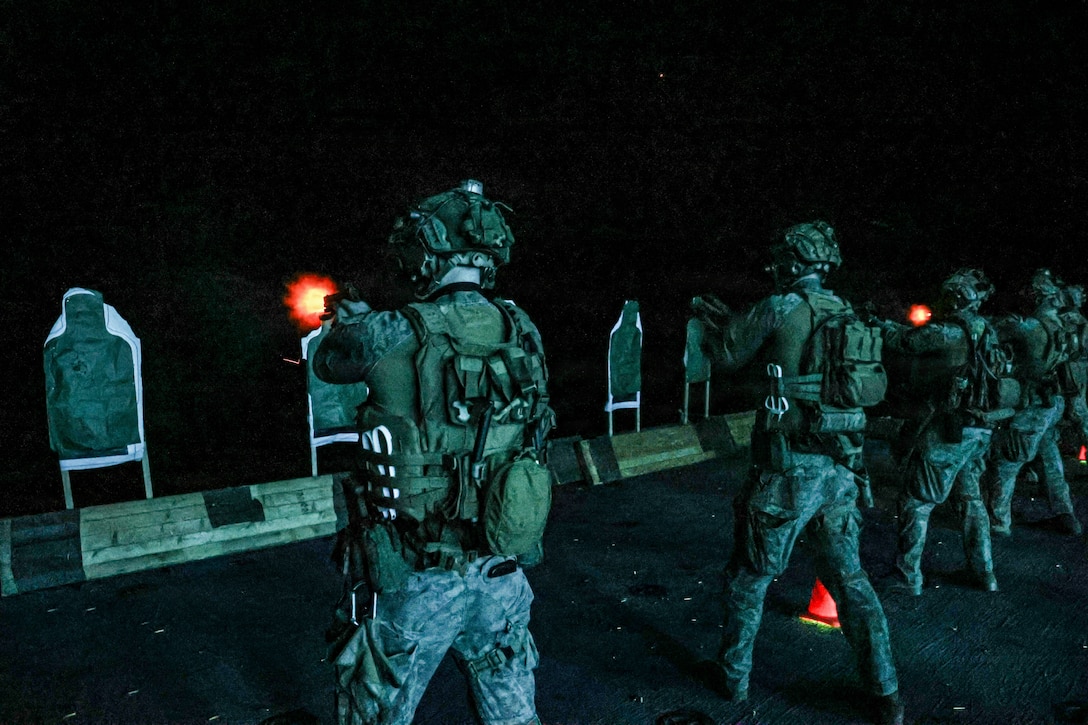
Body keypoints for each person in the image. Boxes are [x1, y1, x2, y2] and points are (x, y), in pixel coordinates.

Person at [313, 179, 555, 725]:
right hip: (502, 571)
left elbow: (328, 361)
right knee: (513, 713)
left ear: (424, 253)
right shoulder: (523, 328)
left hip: (417, 581)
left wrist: (349, 320)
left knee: (373, 711)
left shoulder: (388, 331)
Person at [694, 221, 903, 725]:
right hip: (842, 466)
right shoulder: (847, 311)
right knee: (850, 579)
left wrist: (708, 322)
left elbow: (724, 356)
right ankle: (887, 692)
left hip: (788, 469)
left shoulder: (781, 306)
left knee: (749, 578)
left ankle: (733, 679)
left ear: (792, 262)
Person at [878, 268, 1011, 596]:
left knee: (917, 500)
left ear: (956, 298)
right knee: (970, 499)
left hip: (950, 429)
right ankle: (985, 572)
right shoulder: (986, 329)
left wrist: (879, 323)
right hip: (979, 430)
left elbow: (905, 340)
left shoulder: (951, 332)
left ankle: (907, 576)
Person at [984, 269, 1083, 537]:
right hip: (1053, 405)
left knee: (1007, 461)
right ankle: (1065, 513)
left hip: (1033, 406)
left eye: (1033, 293)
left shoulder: (1032, 327)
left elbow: (992, 330)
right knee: (1050, 459)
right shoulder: (1065, 326)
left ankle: (998, 522)